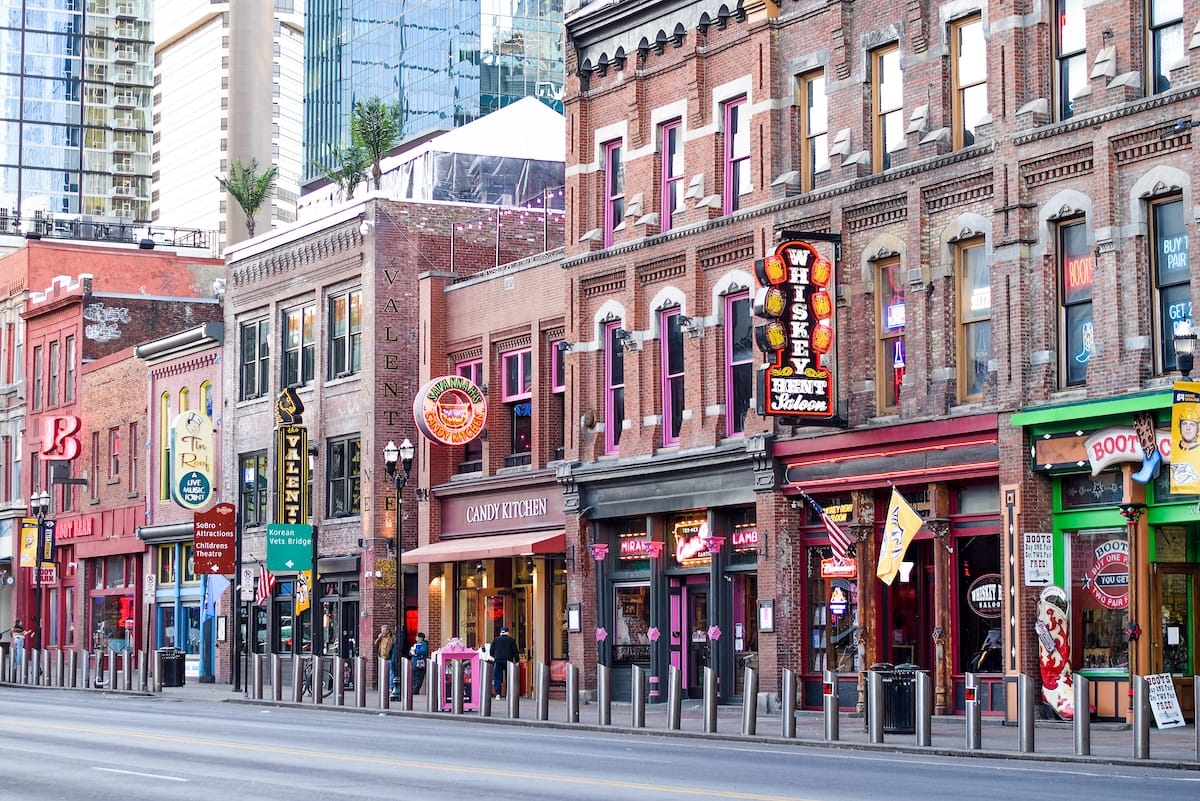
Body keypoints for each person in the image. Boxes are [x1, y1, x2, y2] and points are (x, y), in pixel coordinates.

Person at [488, 626, 519, 698]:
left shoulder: (495, 640)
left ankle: (498, 694)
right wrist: (517, 661)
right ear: (508, 633)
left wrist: (495, 656)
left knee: (497, 677)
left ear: (500, 633)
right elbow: (515, 651)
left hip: (498, 660)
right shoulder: (511, 640)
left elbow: (491, 652)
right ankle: (509, 693)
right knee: (509, 677)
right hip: (508, 660)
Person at [372, 624, 397, 699]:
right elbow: (375, 644)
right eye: (381, 630)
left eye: (383, 630)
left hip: (389, 657)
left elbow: (394, 647)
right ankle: (384, 686)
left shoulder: (392, 637)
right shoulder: (381, 637)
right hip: (382, 657)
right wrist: (378, 638)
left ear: (387, 630)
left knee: (391, 672)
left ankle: (391, 687)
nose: (382, 632)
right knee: (383, 673)